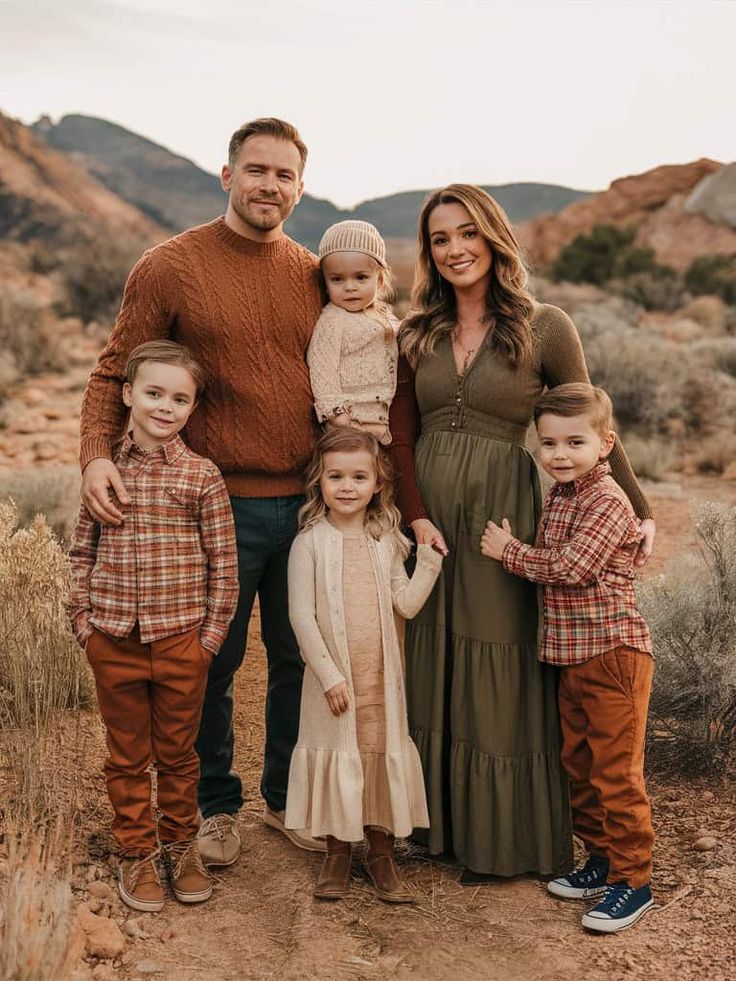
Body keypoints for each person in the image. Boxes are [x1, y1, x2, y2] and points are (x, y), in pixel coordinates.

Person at [389, 183, 655, 882]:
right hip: (433, 524)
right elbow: (400, 431)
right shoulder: (416, 331)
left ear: (493, 238)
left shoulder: (546, 326)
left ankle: (502, 838)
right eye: (440, 239)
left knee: (502, 661)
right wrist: (415, 514)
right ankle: (435, 827)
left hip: (506, 518)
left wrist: (639, 504)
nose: (454, 250)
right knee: (435, 656)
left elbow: (593, 422)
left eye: (467, 234)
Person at [77, 118, 325, 865]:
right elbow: (111, 370)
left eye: (284, 175)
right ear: (227, 176)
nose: (269, 186)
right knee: (209, 665)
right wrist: (95, 455)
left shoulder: (313, 271)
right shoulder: (170, 265)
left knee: (297, 657)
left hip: (310, 503)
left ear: (300, 188)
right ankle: (216, 806)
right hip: (213, 506)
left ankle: (282, 797)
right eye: (256, 170)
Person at [68, 341, 239, 912]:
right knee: (126, 755)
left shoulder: (201, 476)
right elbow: (80, 553)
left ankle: (180, 846)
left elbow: (225, 566)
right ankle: (137, 852)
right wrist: (84, 626)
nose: (165, 406)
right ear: (128, 395)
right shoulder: (104, 471)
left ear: (193, 408)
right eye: (154, 393)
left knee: (178, 753)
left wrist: (209, 640)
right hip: (112, 637)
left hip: (180, 642)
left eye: (180, 398)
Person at [481, 383, 654, 933]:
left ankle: (634, 881)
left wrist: (509, 552)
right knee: (579, 765)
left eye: (574, 442)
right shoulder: (561, 494)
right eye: (549, 443)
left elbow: (571, 567)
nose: (559, 454)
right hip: (573, 657)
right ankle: (600, 859)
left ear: (605, 444)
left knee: (616, 773)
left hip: (613, 656)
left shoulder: (606, 501)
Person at [284, 429, 442, 902]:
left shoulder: (386, 541)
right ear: (320, 482)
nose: (347, 486)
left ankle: (381, 853)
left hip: (380, 678)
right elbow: (300, 616)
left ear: (378, 484)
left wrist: (429, 565)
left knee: (376, 753)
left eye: (358, 476)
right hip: (335, 681)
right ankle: (337, 852)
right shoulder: (309, 543)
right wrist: (329, 677)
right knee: (339, 753)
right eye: (336, 476)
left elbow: (406, 604)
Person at [307, 220, 399, 445]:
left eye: (360, 277)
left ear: (379, 278)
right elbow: (322, 368)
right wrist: (340, 419)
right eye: (337, 279)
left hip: (382, 425)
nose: (350, 287)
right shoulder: (332, 320)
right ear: (325, 282)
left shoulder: (384, 314)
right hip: (348, 426)